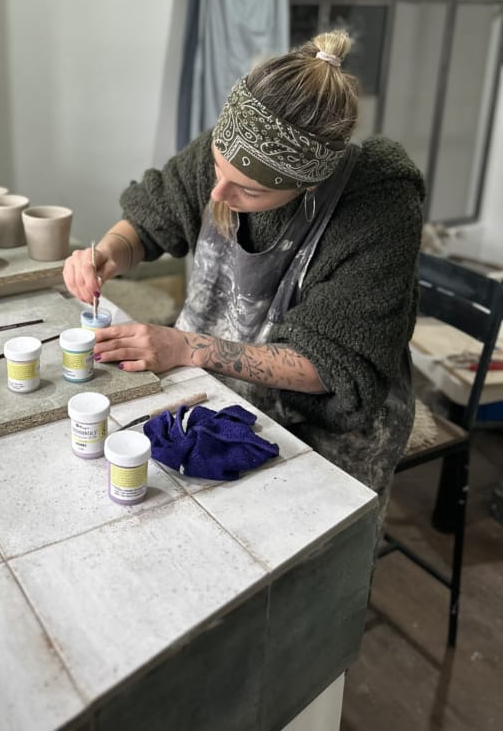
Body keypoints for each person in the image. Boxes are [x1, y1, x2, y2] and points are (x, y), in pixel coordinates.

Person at [63, 30, 425, 527]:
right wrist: (108, 252)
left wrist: (184, 348)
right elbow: (151, 219)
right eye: (216, 166)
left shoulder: (378, 209)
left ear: (307, 183)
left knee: (286, 562)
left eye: (248, 190)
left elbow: (331, 367)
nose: (218, 191)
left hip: (323, 424)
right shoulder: (236, 145)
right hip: (221, 388)